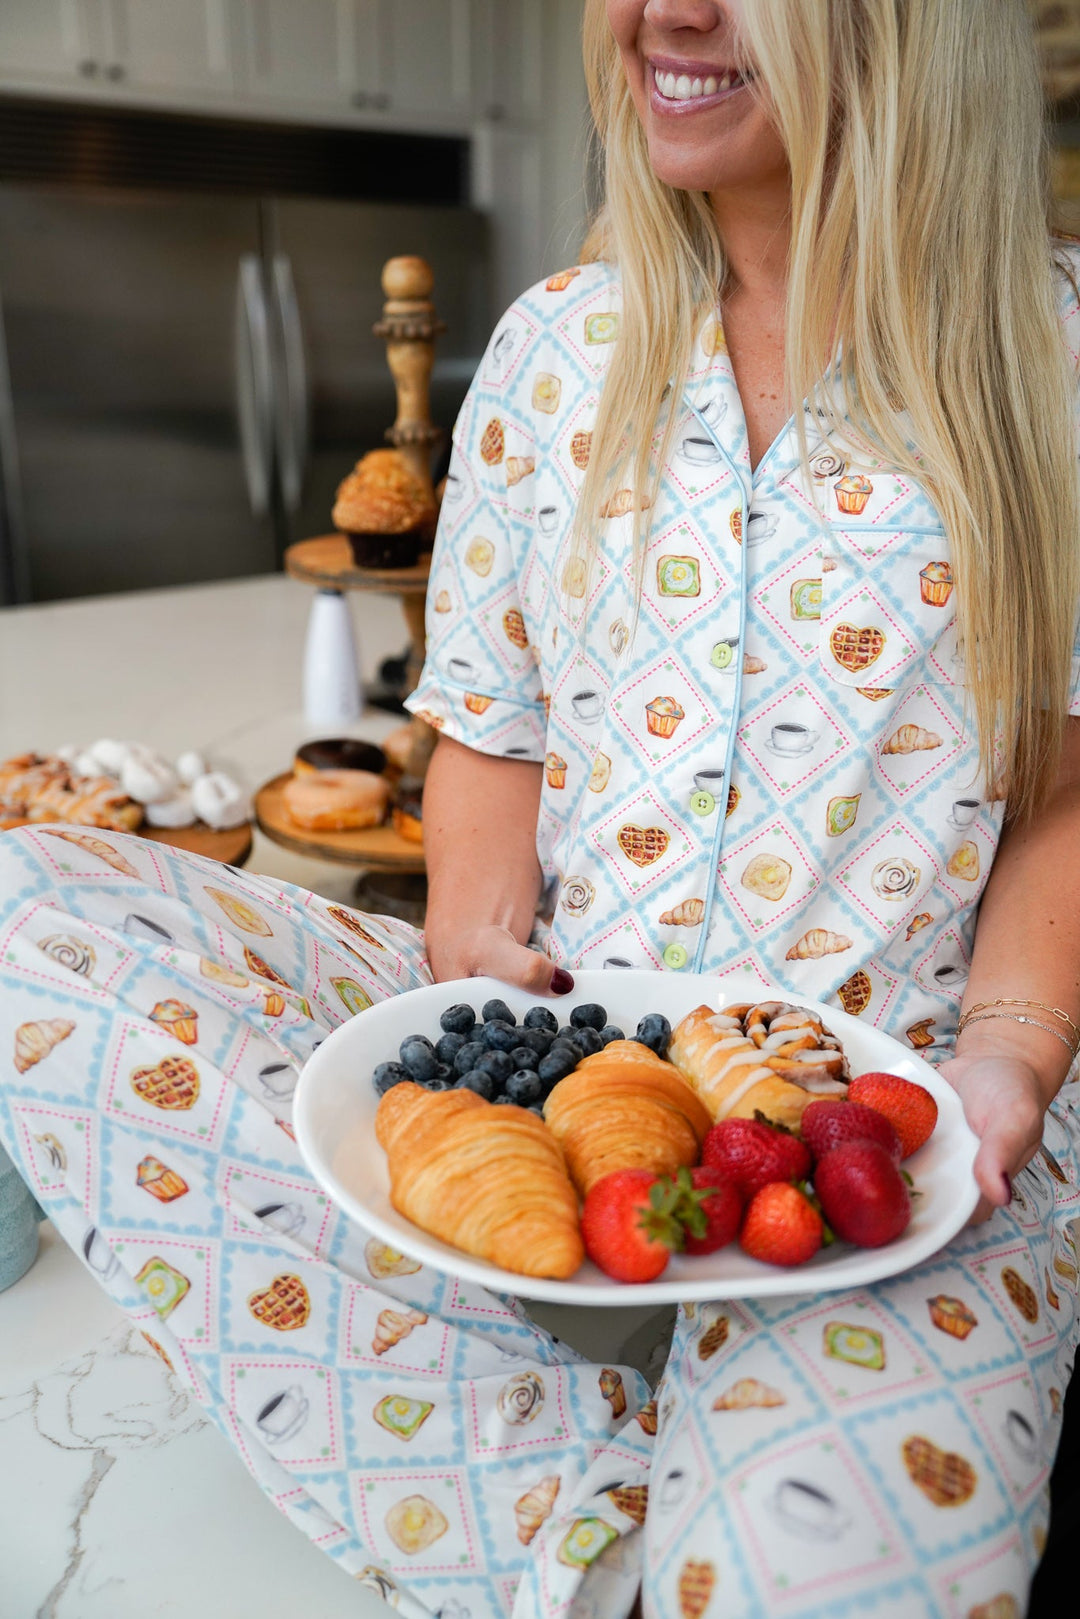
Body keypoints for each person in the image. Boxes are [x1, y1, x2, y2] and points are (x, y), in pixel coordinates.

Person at [2, 1, 1079, 1614]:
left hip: (899, 1112)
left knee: (842, 1576)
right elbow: (491, 728)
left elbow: (1066, 792)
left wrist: (1011, 1050)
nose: (666, 11)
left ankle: (745, 1484)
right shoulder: (562, 342)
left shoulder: (1053, 357)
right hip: (563, 1038)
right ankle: (587, 1519)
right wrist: (469, 946)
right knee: (37, 914)